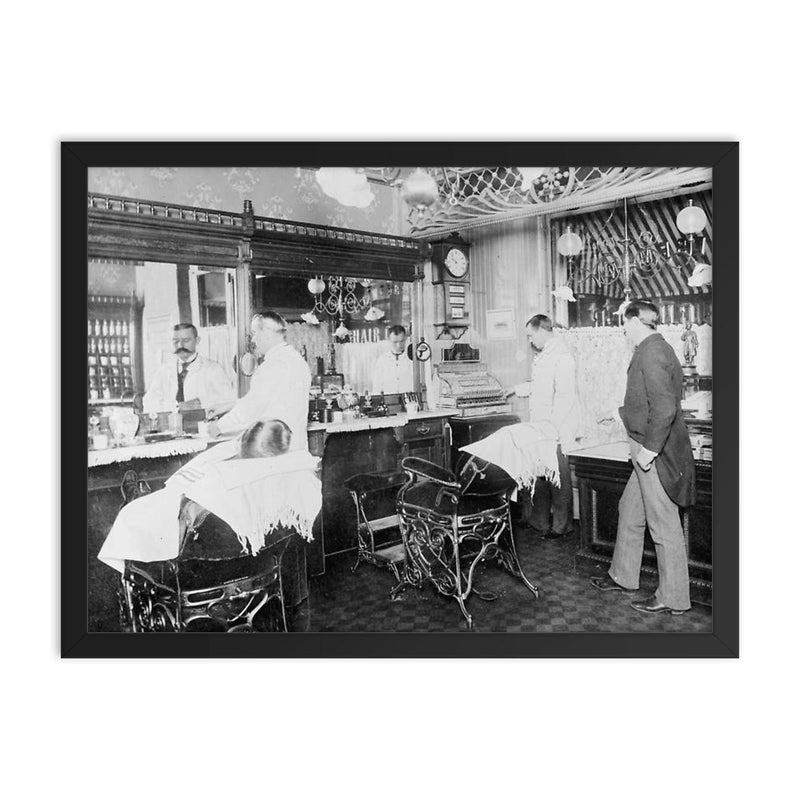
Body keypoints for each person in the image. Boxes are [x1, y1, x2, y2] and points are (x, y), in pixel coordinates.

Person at [590, 300, 695, 615]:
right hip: (646, 448)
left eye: (624, 322)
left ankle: (674, 598)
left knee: (663, 525)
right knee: (630, 509)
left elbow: (664, 408)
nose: (622, 329)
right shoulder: (656, 348)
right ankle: (623, 575)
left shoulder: (649, 353)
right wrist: (616, 413)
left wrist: (649, 452)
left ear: (634, 320)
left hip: (653, 452)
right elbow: (647, 402)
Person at [514, 314, 581, 539]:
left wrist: (552, 425)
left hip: (556, 427)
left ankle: (562, 526)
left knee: (557, 476)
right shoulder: (546, 355)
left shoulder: (562, 356)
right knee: (541, 473)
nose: (530, 340)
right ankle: (539, 521)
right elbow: (542, 386)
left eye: (531, 335)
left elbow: (565, 396)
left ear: (542, 331)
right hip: (542, 425)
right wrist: (518, 389)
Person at [206, 312, 311, 451]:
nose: (253, 340)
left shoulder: (272, 366)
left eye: (254, 333)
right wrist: (228, 406)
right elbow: (273, 399)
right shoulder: (297, 361)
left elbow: (251, 410)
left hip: (274, 448)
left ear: (266, 334)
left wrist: (219, 426)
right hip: (296, 446)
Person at [142, 322, 236, 415]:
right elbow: (149, 403)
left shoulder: (213, 369)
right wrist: (177, 407)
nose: (180, 346)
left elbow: (229, 402)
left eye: (186, 340)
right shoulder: (164, 370)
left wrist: (202, 405)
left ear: (197, 340)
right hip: (171, 426)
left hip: (204, 426)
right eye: (175, 341)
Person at [372, 324, 414, 395]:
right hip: (389, 401)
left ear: (406, 338)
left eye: (401, 341)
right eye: (395, 342)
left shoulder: (412, 358)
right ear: (388, 340)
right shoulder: (382, 360)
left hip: (410, 401)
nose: (399, 345)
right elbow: (377, 387)